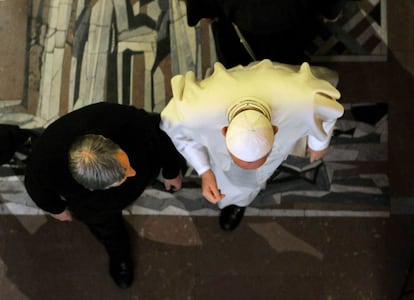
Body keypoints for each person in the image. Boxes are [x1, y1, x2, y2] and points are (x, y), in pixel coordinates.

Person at [160, 59, 344, 231]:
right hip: (239, 84)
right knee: (239, 181)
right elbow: (176, 131)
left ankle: (240, 199)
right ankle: (239, 200)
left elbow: (327, 112)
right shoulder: (193, 112)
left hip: (284, 79)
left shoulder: (303, 102)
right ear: (223, 131)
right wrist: (204, 170)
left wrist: (318, 144)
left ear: (275, 129)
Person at [24, 102, 183, 289]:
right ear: (90, 187)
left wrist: (171, 170)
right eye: (124, 175)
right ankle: (120, 255)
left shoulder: (117, 119)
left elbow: (159, 131)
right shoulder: (46, 163)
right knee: (107, 229)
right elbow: (34, 185)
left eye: (125, 165)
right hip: (95, 206)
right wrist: (56, 209)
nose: (131, 173)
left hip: (145, 157)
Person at [185, 0, 346, 67]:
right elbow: (329, 12)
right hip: (293, 18)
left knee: (237, 75)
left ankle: (244, 125)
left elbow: (207, 13)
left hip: (236, 22)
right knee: (290, 69)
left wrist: (204, 10)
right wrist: (330, 9)